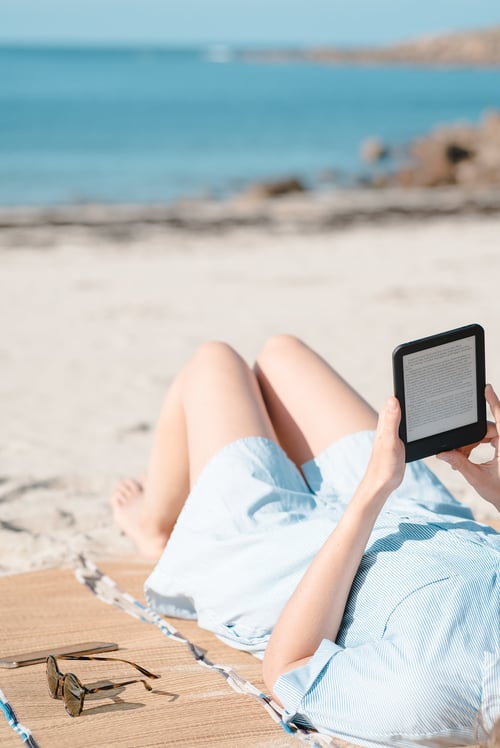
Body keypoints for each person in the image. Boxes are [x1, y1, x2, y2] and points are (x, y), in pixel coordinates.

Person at [111, 335, 500, 748]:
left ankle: (154, 526)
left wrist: (371, 491)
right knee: (282, 354)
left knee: (214, 362)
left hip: (287, 557)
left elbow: (288, 668)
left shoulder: (432, 698)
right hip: (423, 516)